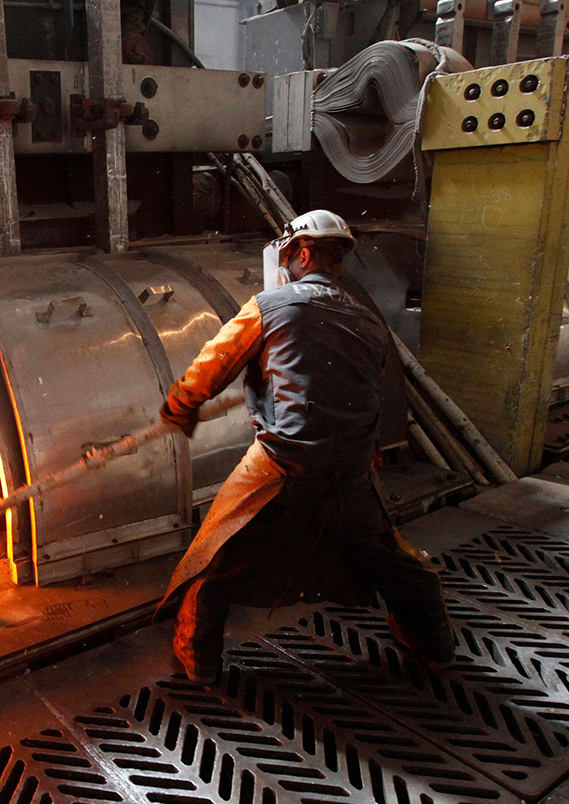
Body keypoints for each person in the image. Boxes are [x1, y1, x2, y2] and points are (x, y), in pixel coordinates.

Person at [155, 209, 455, 683]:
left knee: (213, 557)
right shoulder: (368, 320)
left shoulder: (271, 305)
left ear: (304, 253)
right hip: (349, 470)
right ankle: (434, 644)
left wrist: (179, 407)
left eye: (290, 255)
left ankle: (200, 662)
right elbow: (370, 392)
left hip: (283, 464)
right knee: (395, 563)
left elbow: (214, 363)